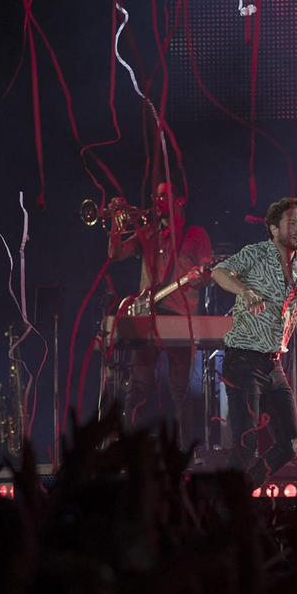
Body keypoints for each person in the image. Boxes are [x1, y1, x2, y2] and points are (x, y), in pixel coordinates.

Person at [210, 196, 297, 487]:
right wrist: (245, 291)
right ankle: (228, 505)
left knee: (292, 443)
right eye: (292, 222)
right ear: (274, 229)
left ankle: (237, 492)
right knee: (246, 445)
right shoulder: (255, 253)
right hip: (243, 359)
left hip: (273, 363)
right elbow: (219, 271)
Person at [108, 181, 213, 433]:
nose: (157, 201)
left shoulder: (195, 234)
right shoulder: (148, 234)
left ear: (179, 201)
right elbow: (114, 254)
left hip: (179, 319)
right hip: (148, 318)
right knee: (137, 386)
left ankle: (184, 456)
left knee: (180, 391)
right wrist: (116, 220)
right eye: (155, 196)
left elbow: (208, 274)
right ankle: (130, 453)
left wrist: (201, 276)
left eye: (164, 196)